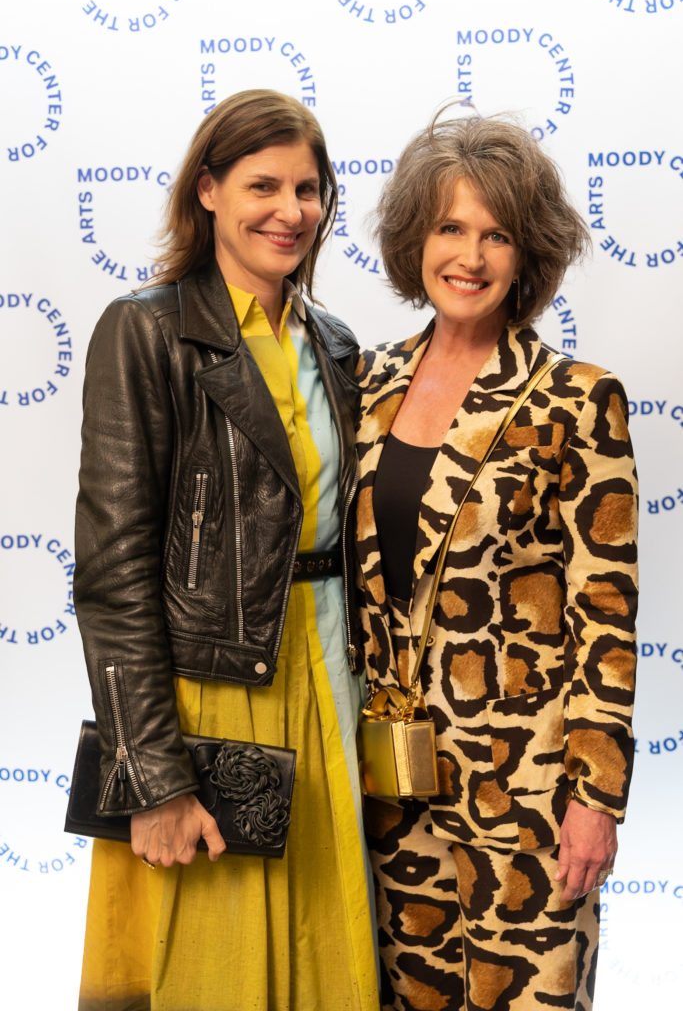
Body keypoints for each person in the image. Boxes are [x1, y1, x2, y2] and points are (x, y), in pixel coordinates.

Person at [74, 89, 379, 1011]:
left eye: (309, 189)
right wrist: (154, 778)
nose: (291, 211)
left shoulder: (336, 342)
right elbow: (113, 569)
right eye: (263, 185)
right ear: (206, 190)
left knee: (329, 951)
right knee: (211, 969)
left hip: (327, 683)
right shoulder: (146, 330)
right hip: (210, 693)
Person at [355, 110, 638, 1010]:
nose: (469, 257)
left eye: (496, 234)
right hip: (388, 781)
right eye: (449, 228)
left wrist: (595, 797)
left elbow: (606, 612)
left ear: (528, 253)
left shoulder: (576, 400)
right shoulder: (362, 384)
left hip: (529, 791)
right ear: (414, 238)